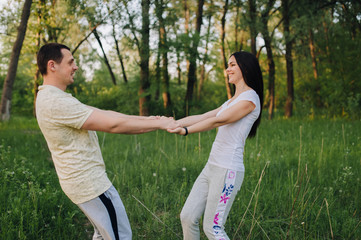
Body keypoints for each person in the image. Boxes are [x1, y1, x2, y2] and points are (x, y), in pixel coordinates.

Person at [35, 43, 178, 240]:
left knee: (102, 235)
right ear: (52, 65)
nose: (75, 67)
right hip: (90, 185)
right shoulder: (55, 102)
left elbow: (106, 115)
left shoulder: (52, 97)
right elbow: (113, 126)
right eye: (70, 62)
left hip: (81, 183)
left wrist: (150, 120)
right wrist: (159, 125)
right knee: (120, 236)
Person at [168, 51, 264, 240]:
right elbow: (205, 116)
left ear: (245, 68)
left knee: (213, 228)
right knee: (187, 217)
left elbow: (218, 121)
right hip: (212, 167)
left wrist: (186, 131)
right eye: (228, 65)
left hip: (227, 171)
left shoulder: (250, 99)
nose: (227, 69)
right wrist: (174, 123)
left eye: (232, 65)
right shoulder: (232, 101)